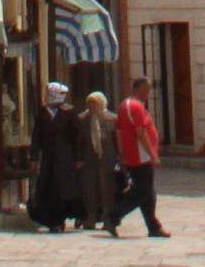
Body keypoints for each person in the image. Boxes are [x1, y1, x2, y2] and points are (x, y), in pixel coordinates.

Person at [114, 84, 168, 237]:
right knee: (141, 193)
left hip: (133, 156)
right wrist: (153, 155)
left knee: (148, 194)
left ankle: (154, 227)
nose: (148, 94)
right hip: (141, 157)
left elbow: (119, 132)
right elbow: (141, 132)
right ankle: (113, 217)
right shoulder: (136, 107)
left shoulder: (124, 106)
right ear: (139, 89)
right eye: (146, 91)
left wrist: (122, 153)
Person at [29, 80, 79, 233]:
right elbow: (36, 136)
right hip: (47, 159)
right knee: (48, 189)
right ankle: (52, 220)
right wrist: (34, 157)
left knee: (62, 189)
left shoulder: (69, 113)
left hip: (64, 158)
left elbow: (76, 137)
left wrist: (78, 158)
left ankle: (61, 218)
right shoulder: (43, 113)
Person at [75, 89, 116, 233]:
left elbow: (117, 139)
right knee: (89, 188)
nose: (92, 108)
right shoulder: (82, 119)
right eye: (90, 105)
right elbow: (78, 141)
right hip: (89, 157)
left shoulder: (111, 118)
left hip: (107, 157)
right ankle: (90, 217)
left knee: (107, 189)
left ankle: (107, 218)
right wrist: (79, 158)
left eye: (95, 104)